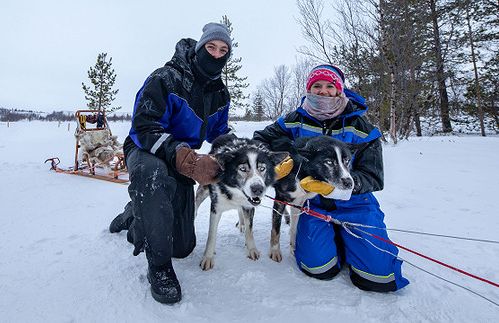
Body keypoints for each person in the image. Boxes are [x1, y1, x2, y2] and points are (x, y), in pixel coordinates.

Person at [253, 64, 409, 292]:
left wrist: (338, 189)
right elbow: (260, 140)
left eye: (329, 86)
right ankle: (335, 240)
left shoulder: (362, 128)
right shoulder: (294, 120)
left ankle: (349, 240)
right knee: (318, 269)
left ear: (339, 90)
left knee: (379, 279)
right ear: (309, 89)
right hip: (312, 203)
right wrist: (278, 157)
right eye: (317, 86)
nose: (323, 91)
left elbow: (373, 177)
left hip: (355, 203)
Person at [108, 22, 233, 304]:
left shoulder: (220, 94)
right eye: (211, 47)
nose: (215, 55)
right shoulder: (166, 78)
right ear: (199, 48)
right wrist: (186, 159)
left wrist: (237, 152)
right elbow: (143, 126)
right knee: (153, 178)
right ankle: (160, 268)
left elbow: (219, 132)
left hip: (183, 158)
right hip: (147, 148)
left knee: (183, 246)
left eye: (223, 51)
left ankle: (135, 213)